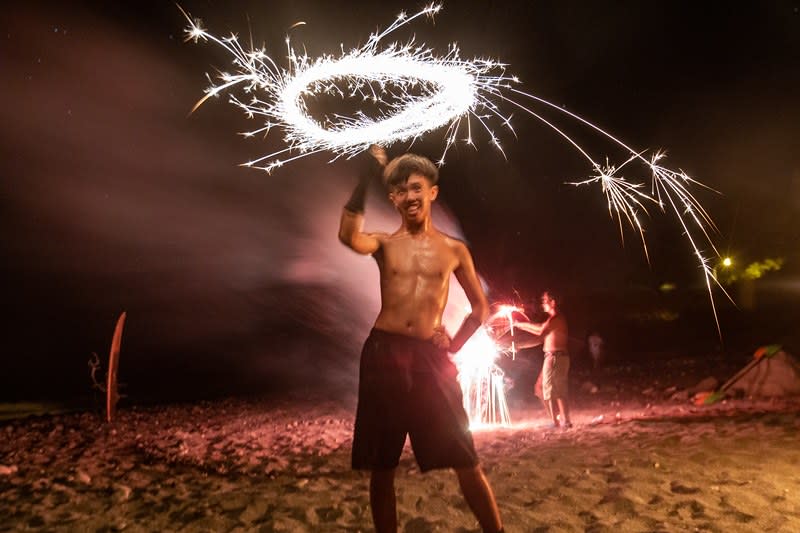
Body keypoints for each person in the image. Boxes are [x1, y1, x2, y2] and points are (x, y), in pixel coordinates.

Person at [338, 145, 504, 533]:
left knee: (466, 459)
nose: (409, 196)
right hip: (383, 354)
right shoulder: (384, 244)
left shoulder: (453, 250)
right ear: (393, 199)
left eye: (417, 187)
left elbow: (480, 308)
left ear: (432, 192)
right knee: (382, 467)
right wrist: (365, 176)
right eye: (400, 190)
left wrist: (456, 344)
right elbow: (348, 235)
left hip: (431, 361)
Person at [514, 291, 572, 430]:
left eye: (545, 300)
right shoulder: (553, 319)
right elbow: (539, 332)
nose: (543, 303)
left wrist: (520, 328)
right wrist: (520, 325)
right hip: (555, 358)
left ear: (553, 302)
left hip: (555, 358)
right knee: (543, 389)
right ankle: (562, 420)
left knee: (551, 390)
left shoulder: (555, 319)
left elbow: (540, 332)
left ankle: (558, 422)